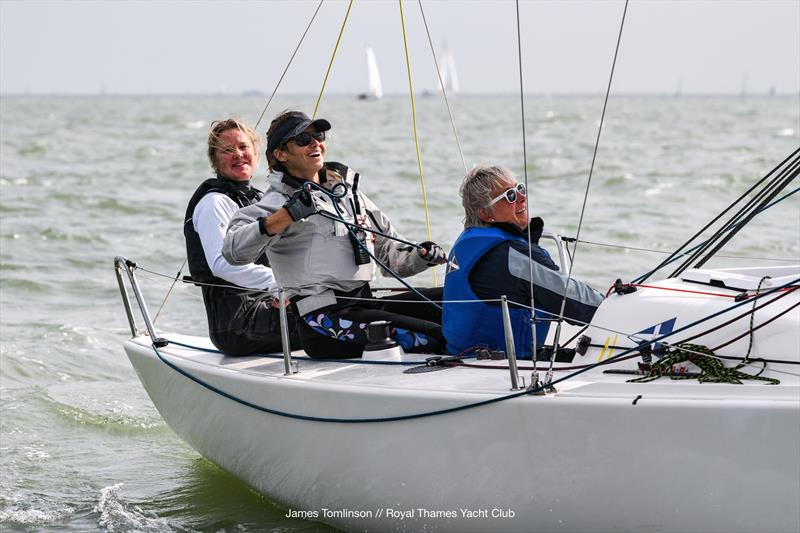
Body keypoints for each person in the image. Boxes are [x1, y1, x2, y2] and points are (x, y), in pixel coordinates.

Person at [222, 110, 447, 358]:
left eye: (318, 135)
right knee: (437, 334)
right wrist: (285, 216)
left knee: (457, 301)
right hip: (323, 321)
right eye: (303, 139)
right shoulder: (276, 201)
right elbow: (233, 252)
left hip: (365, 303)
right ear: (280, 154)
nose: (315, 143)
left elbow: (389, 256)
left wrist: (421, 255)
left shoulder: (347, 193)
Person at [443, 165, 604, 359]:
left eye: (520, 189)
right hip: (502, 364)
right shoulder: (508, 254)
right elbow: (572, 299)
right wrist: (616, 309)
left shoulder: (469, 242)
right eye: (510, 196)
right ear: (485, 214)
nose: (522, 197)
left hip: (463, 353)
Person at [184, 118, 298, 356]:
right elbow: (222, 264)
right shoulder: (213, 203)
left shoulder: (260, 200)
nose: (238, 154)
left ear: (256, 154)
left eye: (243, 147)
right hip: (238, 324)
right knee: (326, 319)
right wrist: (282, 285)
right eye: (227, 150)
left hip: (269, 307)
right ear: (215, 161)